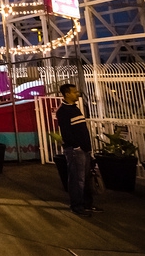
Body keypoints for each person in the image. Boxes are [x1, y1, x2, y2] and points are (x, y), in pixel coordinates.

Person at [56, 83, 102, 217]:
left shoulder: (75, 108)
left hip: (83, 150)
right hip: (76, 151)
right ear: (67, 94)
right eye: (74, 92)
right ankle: (77, 206)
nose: (77, 93)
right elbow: (66, 133)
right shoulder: (63, 111)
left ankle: (87, 204)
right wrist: (76, 146)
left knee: (86, 178)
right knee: (77, 179)